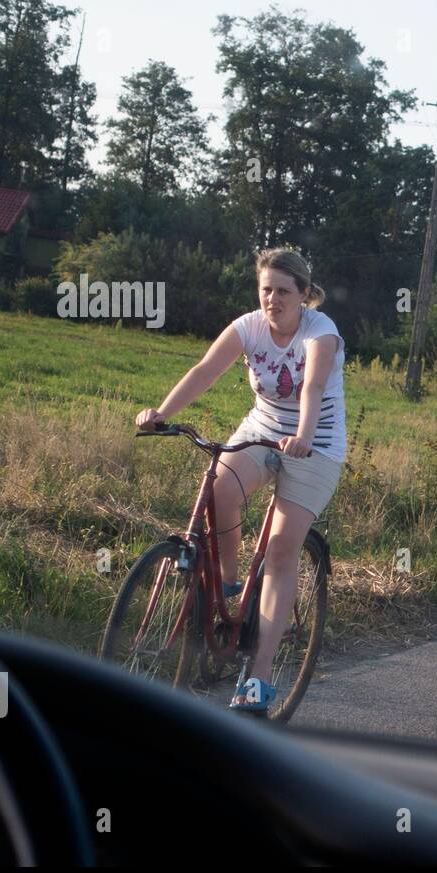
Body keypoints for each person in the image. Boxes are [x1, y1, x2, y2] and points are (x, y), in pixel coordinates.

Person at [134, 248, 346, 711]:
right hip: (263, 428)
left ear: (304, 295)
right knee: (220, 486)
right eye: (266, 289)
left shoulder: (320, 332)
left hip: (317, 445)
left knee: (281, 550)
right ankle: (229, 584)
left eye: (283, 291)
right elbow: (205, 370)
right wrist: (162, 414)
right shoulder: (248, 326)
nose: (272, 299)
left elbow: (311, 388)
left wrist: (304, 436)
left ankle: (260, 676)